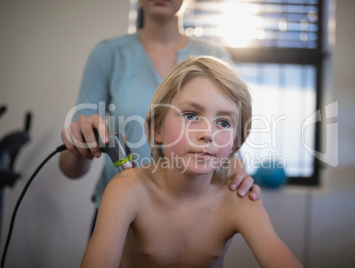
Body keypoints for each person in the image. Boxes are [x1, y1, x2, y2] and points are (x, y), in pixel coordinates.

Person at [80, 56, 302, 268]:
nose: (208, 133)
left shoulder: (238, 200)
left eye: (224, 122)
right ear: (157, 128)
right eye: (190, 115)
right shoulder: (127, 190)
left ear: (235, 143)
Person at [59, 0, 260, 219]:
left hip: (195, 215)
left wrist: (240, 178)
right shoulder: (108, 55)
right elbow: (71, 168)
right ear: (155, 129)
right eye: (191, 115)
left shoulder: (215, 57)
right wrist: (80, 141)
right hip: (118, 213)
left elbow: (230, 151)